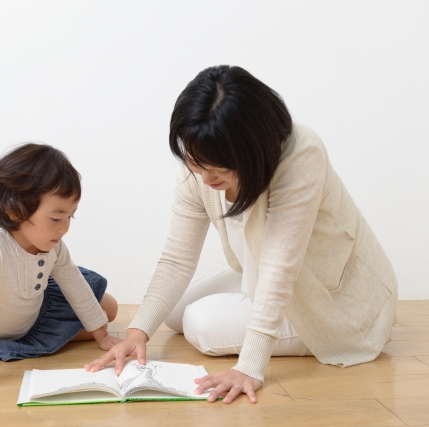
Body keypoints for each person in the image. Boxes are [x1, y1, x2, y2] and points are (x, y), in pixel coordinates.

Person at [86, 65, 398, 404]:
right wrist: (137, 332)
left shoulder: (300, 154)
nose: (206, 178)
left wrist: (250, 366)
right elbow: (176, 259)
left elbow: (280, 267)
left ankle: (322, 332)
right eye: (195, 161)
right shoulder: (201, 160)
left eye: (220, 168)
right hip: (261, 277)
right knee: (171, 314)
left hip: (331, 303)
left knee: (199, 324)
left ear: (254, 149)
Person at [0, 143, 121, 410]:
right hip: (0, 336)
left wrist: (101, 336)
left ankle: (72, 331)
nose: (64, 228)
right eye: (55, 218)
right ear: (15, 211)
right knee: (96, 314)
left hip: (37, 311)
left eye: (70, 217)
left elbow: (74, 284)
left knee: (108, 308)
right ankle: (52, 338)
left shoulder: (54, 246)